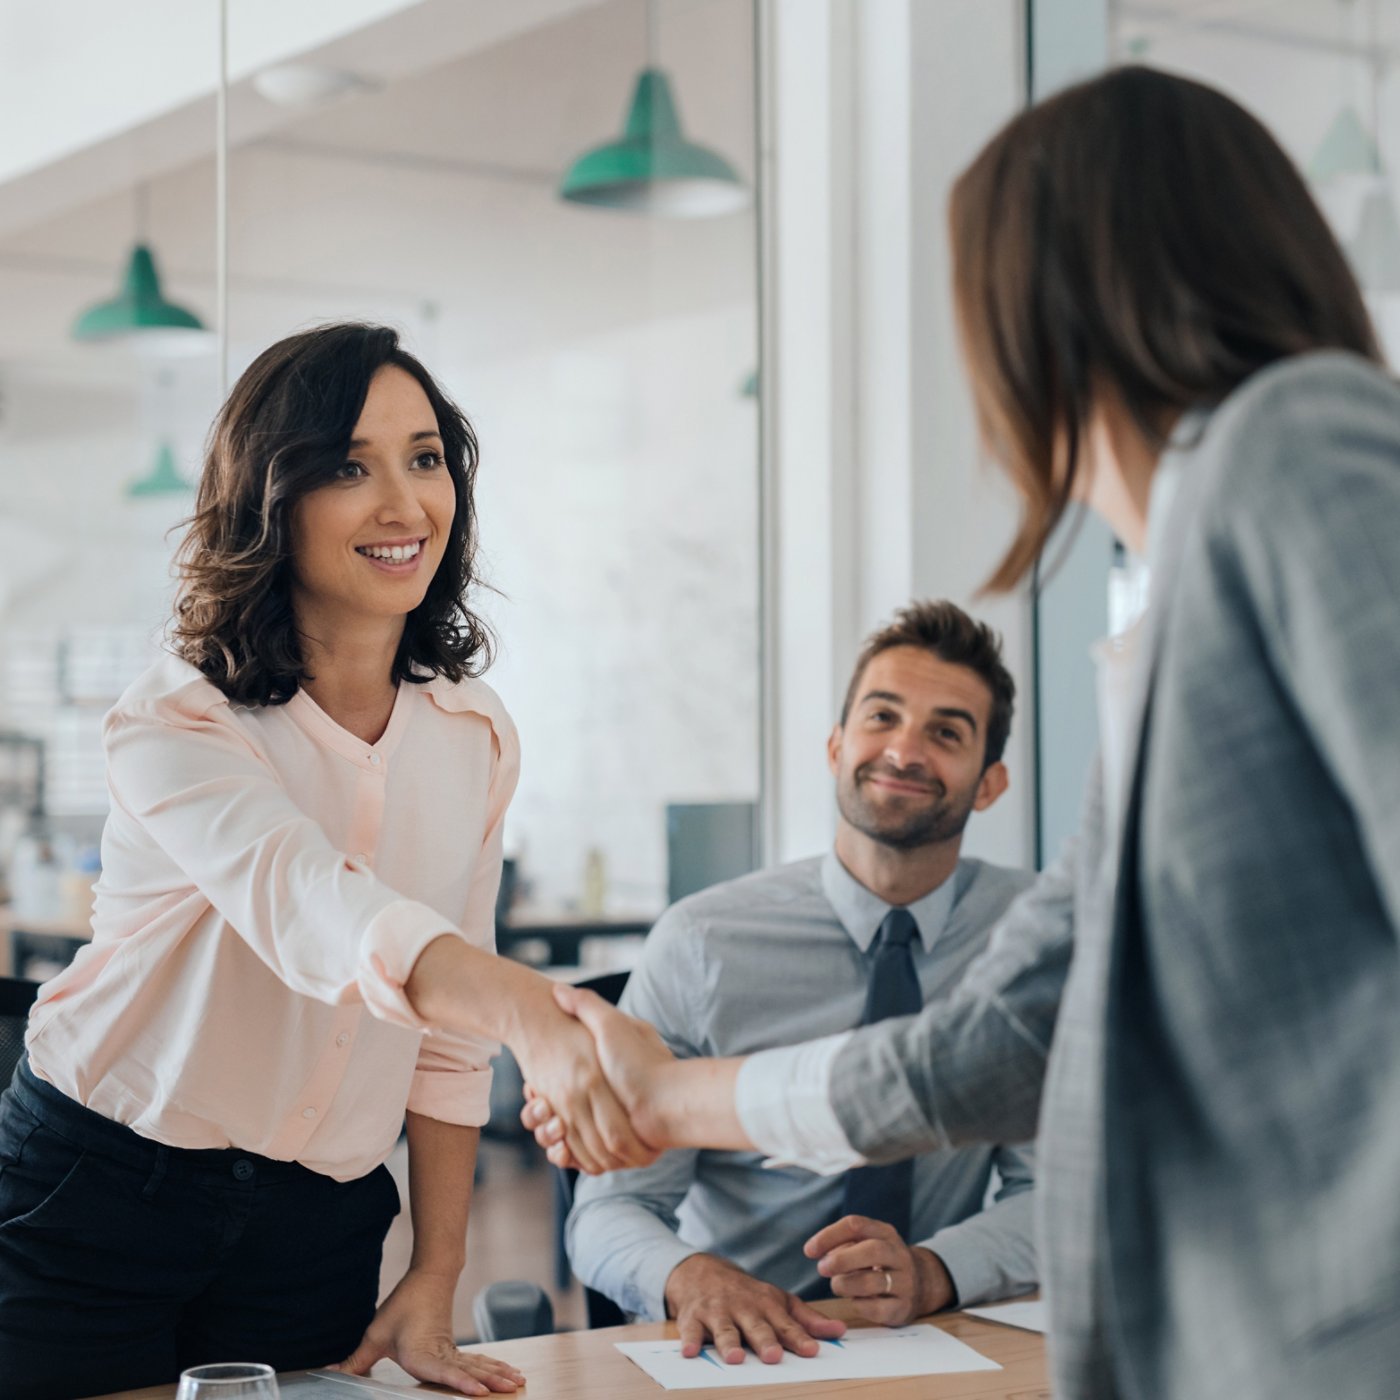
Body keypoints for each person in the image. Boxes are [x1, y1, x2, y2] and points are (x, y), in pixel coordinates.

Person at [526, 67, 1400, 1400]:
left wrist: (659, 1093)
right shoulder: (1174, 606)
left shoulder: (1293, 441)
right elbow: (1014, 1041)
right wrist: (674, 1099)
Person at [0, 324, 652, 1400]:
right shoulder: (177, 714)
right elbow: (318, 909)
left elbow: (442, 1038)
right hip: (101, 1184)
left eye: (425, 456)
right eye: (349, 466)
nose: (403, 503)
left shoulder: (471, 732)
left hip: (321, 1217)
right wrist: (541, 1018)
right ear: (272, 494)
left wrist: (436, 1268)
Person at [568, 601, 1038, 1363]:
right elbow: (611, 1208)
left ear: (989, 783)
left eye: (946, 733)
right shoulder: (703, 943)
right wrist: (692, 1278)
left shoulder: (1032, 939)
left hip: (939, 1341)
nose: (905, 750)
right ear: (835, 746)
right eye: (882, 716)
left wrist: (934, 1271)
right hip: (739, 1354)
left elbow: (1060, 1187)